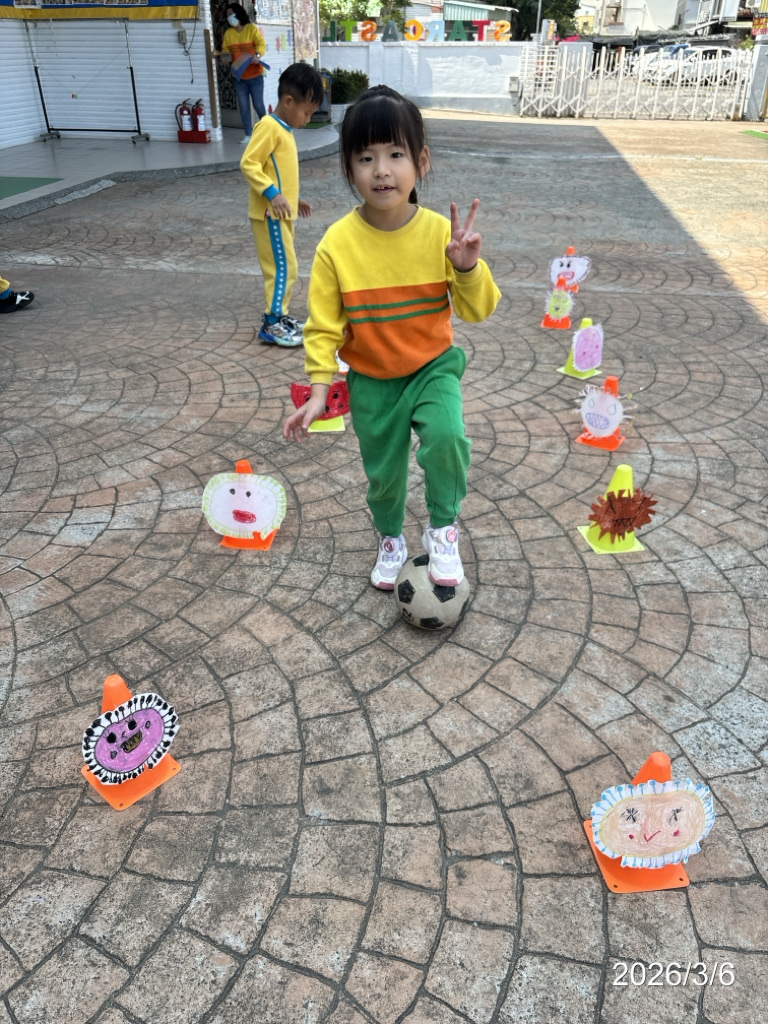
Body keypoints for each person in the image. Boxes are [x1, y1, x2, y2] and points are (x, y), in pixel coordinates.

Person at [282, 85, 501, 589]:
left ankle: (443, 528)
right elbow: (323, 327)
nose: (381, 170)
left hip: (432, 368)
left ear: (421, 161)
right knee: (384, 474)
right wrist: (319, 390)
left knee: (447, 438)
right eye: (366, 157)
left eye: (396, 154)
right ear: (349, 168)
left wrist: (467, 268)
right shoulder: (337, 244)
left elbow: (480, 310)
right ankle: (390, 538)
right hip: (372, 380)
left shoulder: (439, 235)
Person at [241, 62, 324, 348]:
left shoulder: (284, 130)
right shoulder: (269, 127)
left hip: (280, 212)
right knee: (282, 268)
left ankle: (281, 316)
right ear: (288, 101)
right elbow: (249, 163)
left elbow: (277, 171)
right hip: (270, 214)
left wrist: (293, 197)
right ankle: (272, 323)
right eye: (307, 112)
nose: (308, 119)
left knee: (286, 265)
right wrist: (274, 194)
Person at [215, 3, 267, 144]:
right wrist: (221, 57)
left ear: (238, 13)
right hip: (238, 77)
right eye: (227, 15)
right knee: (244, 108)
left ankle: (267, 131)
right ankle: (248, 135)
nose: (229, 17)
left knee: (258, 106)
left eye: (231, 13)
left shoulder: (251, 29)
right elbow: (226, 53)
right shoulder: (229, 34)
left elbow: (261, 44)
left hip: (255, 75)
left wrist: (257, 54)